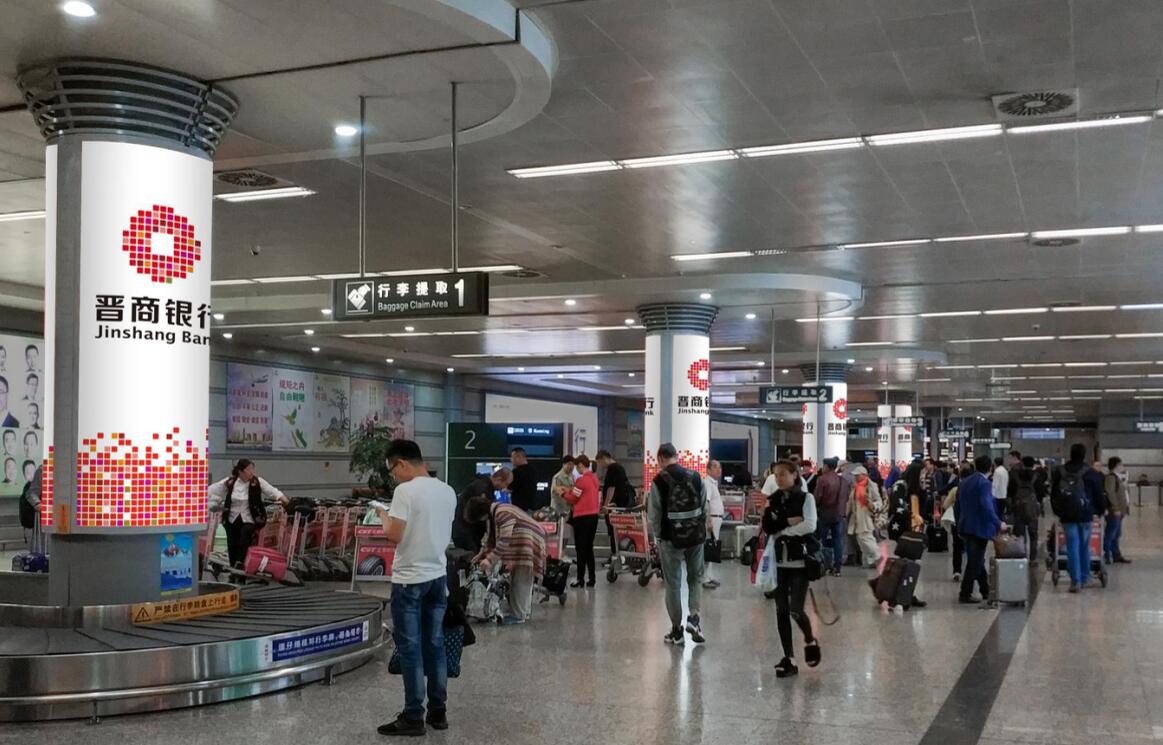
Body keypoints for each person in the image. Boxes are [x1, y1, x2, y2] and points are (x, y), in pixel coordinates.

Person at [370, 440, 456, 736]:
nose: (393, 476)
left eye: (392, 469)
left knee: (410, 649)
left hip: (409, 580)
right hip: (438, 577)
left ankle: (413, 716)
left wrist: (382, 515)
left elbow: (394, 535)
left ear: (402, 463)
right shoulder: (447, 490)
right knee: (435, 644)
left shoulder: (405, 492)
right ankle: (438, 712)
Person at [762, 459, 820, 678]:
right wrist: (788, 522)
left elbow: (810, 524)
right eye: (776, 475)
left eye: (783, 474)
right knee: (781, 611)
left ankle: (810, 639)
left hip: (799, 562)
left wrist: (784, 531)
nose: (779, 479)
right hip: (778, 563)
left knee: (796, 609)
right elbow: (768, 526)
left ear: (794, 475)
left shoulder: (806, 498)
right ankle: (789, 658)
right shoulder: (773, 499)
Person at [648, 442, 707, 645]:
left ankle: (676, 630)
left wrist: (658, 537)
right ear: (677, 456)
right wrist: (700, 529)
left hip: (670, 538)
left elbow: (654, 514)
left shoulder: (658, 481)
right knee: (695, 578)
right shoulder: (695, 476)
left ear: (661, 458)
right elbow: (704, 505)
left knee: (673, 584)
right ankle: (695, 618)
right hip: (696, 537)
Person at [465, 495, 547, 625]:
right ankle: (523, 613)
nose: (480, 521)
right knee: (521, 579)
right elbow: (491, 539)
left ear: (481, 513)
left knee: (520, 579)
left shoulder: (502, 513)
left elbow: (504, 540)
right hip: (529, 540)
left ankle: (518, 615)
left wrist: (489, 560)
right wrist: (481, 554)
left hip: (528, 543)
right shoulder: (495, 513)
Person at [207, 459, 290, 567]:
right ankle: (233, 567)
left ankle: (240, 562)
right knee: (232, 544)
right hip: (232, 518)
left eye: (252, 469)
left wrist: (284, 500)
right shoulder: (230, 482)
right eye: (249, 469)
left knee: (245, 536)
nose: (252, 472)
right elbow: (213, 489)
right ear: (240, 471)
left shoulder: (257, 482)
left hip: (250, 518)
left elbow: (272, 491)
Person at [1051, 443, 1106, 594]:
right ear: (1084, 455)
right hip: (1086, 514)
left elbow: (1054, 494)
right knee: (1084, 546)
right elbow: (1099, 494)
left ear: (1070, 453)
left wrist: (1058, 511)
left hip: (1067, 515)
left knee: (1072, 546)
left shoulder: (1060, 471)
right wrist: (1100, 511)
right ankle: (1085, 577)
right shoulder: (1091, 473)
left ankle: (1075, 580)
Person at [957, 455, 1004, 604]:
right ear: (991, 468)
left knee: (976, 559)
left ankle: (985, 590)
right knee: (975, 561)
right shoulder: (984, 484)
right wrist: (998, 523)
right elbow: (986, 506)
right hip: (979, 527)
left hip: (965, 525)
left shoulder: (965, 482)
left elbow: (958, 504)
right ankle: (965, 593)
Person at [451, 468, 511, 553]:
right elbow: (482, 513)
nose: (504, 488)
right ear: (499, 479)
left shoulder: (481, 485)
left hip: (464, 530)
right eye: (506, 484)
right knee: (471, 557)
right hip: (468, 533)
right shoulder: (483, 489)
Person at [564, 454, 600, 587]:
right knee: (589, 548)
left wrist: (562, 493)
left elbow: (573, 498)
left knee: (580, 549)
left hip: (582, 518)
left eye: (577, 467)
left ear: (580, 466)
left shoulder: (581, 480)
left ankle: (580, 579)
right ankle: (592, 578)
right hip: (593, 516)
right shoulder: (594, 479)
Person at [596, 450, 635, 563]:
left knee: (613, 531)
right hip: (620, 506)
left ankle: (615, 555)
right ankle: (618, 555)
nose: (600, 465)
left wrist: (606, 505)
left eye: (600, 462)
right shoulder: (620, 468)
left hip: (614, 507)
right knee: (617, 531)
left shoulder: (612, 469)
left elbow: (611, 488)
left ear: (604, 458)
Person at [812, 457, 845, 577]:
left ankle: (824, 564)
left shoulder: (822, 479)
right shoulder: (841, 480)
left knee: (822, 539)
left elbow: (817, 497)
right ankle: (837, 567)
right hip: (838, 514)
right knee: (838, 540)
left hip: (825, 513)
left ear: (826, 466)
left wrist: (814, 507)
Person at [1008, 455, 1044, 561]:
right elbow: (1041, 493)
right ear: (1033, 464)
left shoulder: (1015, 475)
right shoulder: (1037, 476)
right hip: (1032, 509)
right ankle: (1033, 558)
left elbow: (1010, 492)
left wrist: (1011, 506)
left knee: (1020, 535)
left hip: (1018, 507)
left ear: (1022, 464)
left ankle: (1021, 556)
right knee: (1033, 535)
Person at [846, 464, 881, 568]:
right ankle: (871, 559)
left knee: (866, 537)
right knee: (860, 539)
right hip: (857, 516)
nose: (855, 477)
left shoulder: (871, 486)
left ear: (864, 475)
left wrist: (873, 505)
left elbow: (878, 501)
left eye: (857, 475)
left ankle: (877, 555)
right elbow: (851, 502)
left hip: (866, 516)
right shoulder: (856, 487)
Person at [943, 462, 972, 582]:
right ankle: (972, 572)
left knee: (957, 547)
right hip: (971, 522)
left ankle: (957, 571)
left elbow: (945, 505)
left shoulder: (955, 489)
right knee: (972, 548)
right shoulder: (975, 489)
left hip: (957, 522)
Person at [1103, 457, 1131, 565]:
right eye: (1121, 465)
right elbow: (1110, 493)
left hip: (1120, 511)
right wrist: (1115, 507)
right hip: (1114, 511)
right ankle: (1106, 555)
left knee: (1117, 534)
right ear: (1116, 465)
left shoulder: (1117, 478)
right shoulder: (1111, 478)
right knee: (1110, 533)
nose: (1122, 467)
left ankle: (1116, 555)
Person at [703, 459, 725, 588]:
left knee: (712, 548)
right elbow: (706, 502)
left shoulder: (713, 483)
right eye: (715, 467)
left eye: (720, 467)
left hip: (716, 519)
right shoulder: (707, 483)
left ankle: (709, 576)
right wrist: (708, 521)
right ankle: (705, 578)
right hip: (712, 519)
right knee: (709, 548)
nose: (719, 469)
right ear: (708, 470)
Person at [507, 447, 537, 512]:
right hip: (532, 507)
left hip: (519, 508)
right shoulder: (533, 470)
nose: (511, 460)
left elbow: (509, 488)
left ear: (519, 457)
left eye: (512, 457)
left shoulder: (516, 472)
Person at [991, 455, 1009, 520]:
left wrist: (992, 495)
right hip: (1004, 494)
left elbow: (995, 485)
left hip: (997, 496)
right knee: (1001, 512)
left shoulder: (997, 471)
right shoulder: (1005, 470)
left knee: (997, 513)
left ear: (995, 463)